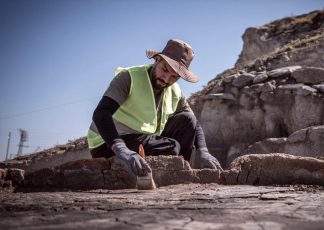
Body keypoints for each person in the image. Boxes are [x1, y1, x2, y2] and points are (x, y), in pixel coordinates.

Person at [87, 38, 222, 177]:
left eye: (174, 77)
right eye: (165, 70)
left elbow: (193, 122)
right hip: (108, 143)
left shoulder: (174, 90)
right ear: (157, 59)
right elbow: (101, 114)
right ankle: (168, 174)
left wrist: (203, 151)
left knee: (187, 120)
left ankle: (180, 175)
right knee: (171, 148)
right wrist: (121, 149)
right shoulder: (129, 78)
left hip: (141, 138)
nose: (166, 79)